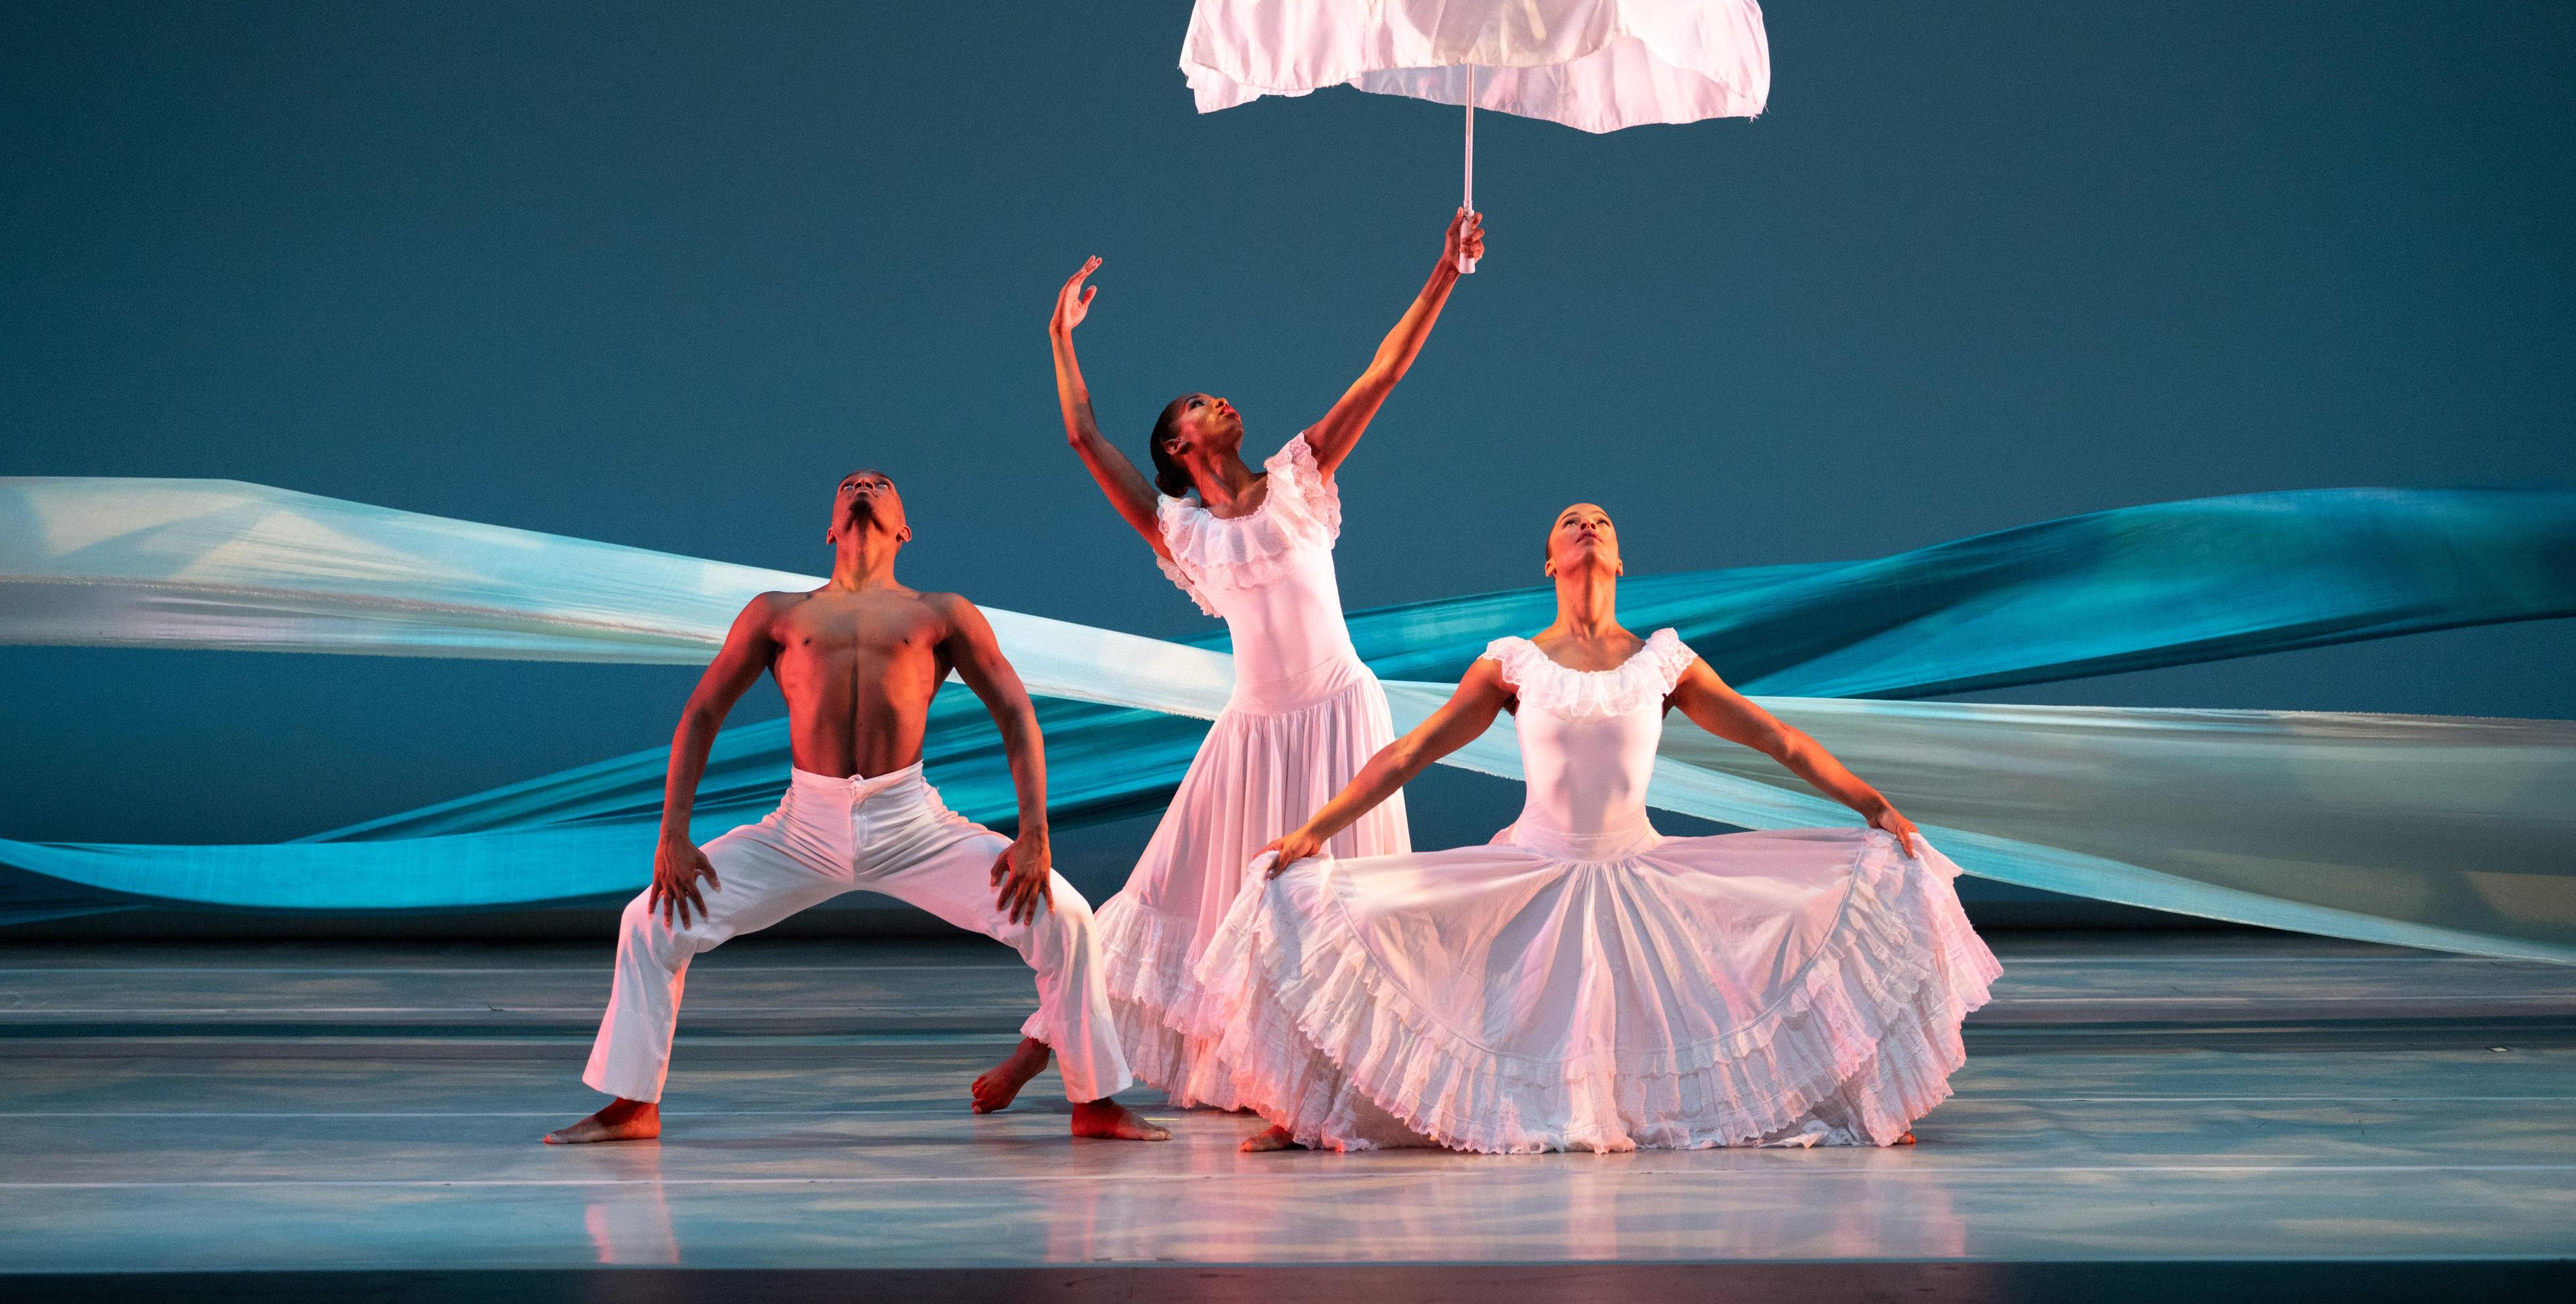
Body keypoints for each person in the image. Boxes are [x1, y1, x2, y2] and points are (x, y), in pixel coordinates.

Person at [1182, 501, 2001, 1154]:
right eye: (1571, 521)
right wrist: (1313, 830)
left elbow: (1777, 738)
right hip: (1535, 868)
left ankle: (1854, 1105)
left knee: (1792, 928)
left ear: (1618, 559)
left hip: (1639, 871)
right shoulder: (1513, 662)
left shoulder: (1663, 663)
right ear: (1550, 561)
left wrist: (1874, 805)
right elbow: (1405, 755)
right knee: (1356, 919)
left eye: (1602, 521)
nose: (1587, 526)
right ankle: (1312, 1112)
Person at [972, 209, 1487, 1116]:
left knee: (1346, 909)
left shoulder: (1301, 475)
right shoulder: (1182, 531)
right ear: (1179, 445)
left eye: (1221, 396)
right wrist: (1059, 337)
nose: (1223, 402)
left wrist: (1444, 270)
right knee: (1154, 898)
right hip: (1250, 734)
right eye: (1202, 403)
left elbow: (1386, 370)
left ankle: (1333, 1080)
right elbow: (1085, 436)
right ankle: (1036, 1048)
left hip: (1339, 718)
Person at [544, 470, 1161, 1144]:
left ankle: (1094, 1102)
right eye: (850, 483)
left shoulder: (942, 612)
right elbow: (701, 715)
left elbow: (1015, 713)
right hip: (801, 829)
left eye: (882, 483)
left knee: (1065, 915)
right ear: (830, 527)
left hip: (913, 824)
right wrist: (674, 834)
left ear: (905, 529)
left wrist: (1034, 832)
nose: (865, 484)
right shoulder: (778, 612)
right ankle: (634, 1105)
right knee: (649, 919)